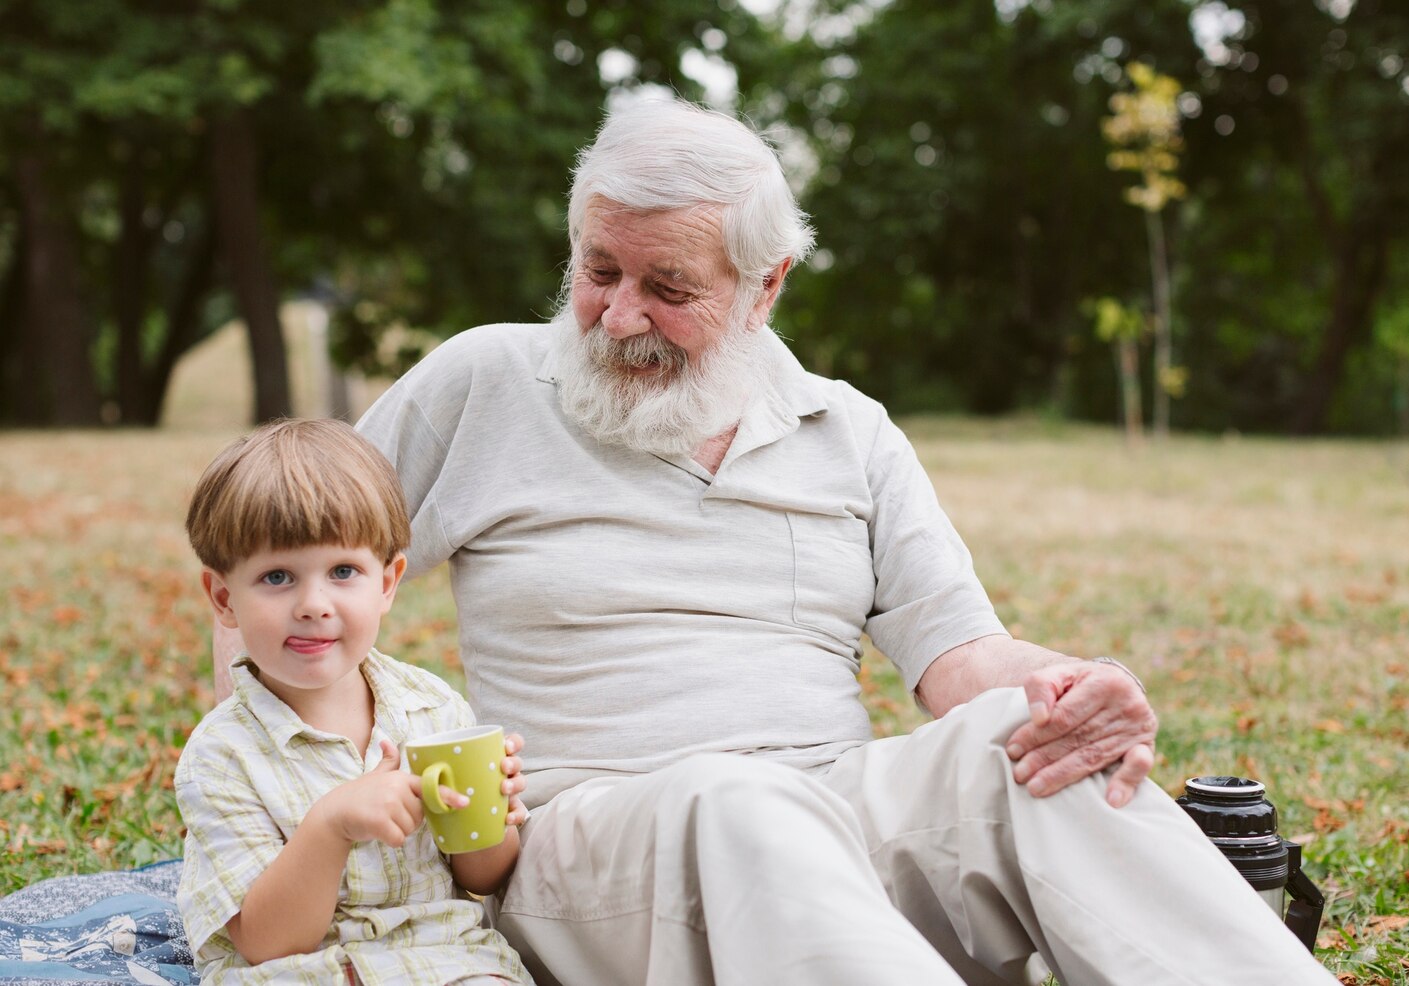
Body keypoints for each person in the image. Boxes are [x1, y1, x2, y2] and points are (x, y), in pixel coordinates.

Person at [220, 101, 1337, 985]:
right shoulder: (485, 381)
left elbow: (958, 658)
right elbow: (280, 549)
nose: (614, 316)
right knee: (734, 796)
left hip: (835, 817)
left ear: (767, 286)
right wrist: (262, 789)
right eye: (597, 269)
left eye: (667, 289)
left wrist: (1068, 685)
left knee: (1023, 742)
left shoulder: (846, 429)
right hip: (590, 850)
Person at [178, 418, 534, 986]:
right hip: (306, 972)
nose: (314, 604)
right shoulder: (221, 757)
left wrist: (489, 812)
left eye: (343, 571)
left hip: (442, 960)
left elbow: (484, 878)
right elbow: (267, 944)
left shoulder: (429, 710)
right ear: (224, 597)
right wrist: (331, 825)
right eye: (277, 577)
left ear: (388, 582)